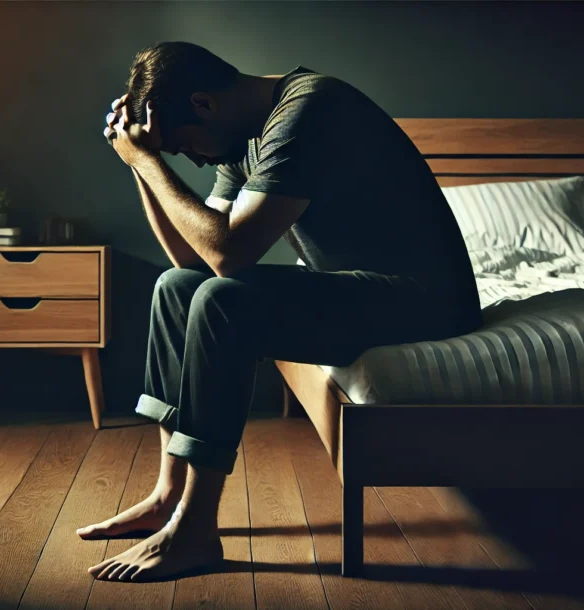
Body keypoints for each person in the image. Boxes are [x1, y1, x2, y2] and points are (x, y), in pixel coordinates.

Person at [78, 41, 482, 582]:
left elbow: (227, 254)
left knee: (225, 301)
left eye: (184, 147)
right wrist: (138, 163)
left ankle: (195, 529)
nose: (194, 160)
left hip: (424, 300)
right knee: (178, 286)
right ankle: (167, 493)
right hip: (356, 289)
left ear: (203, 104)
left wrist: (148, 162)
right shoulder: (240, 135)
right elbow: (191, 257)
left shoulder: (308, 110)